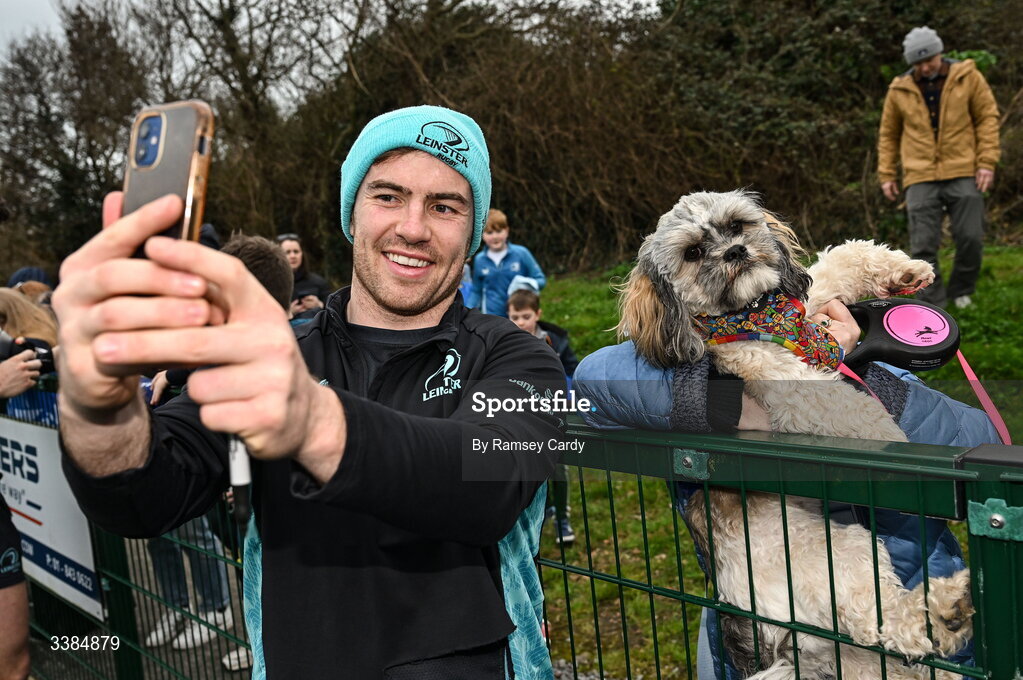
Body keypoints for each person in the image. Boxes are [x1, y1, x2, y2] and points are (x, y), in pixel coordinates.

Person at [54, 105, 563, 679]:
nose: (414, 228)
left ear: (471, 234)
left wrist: (311, 421)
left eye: (445, 206)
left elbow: (485, 485)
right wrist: (99, 403)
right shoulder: (277, 354)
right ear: (351, 212)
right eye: (388, 196)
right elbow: (144, 495)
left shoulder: (526, 357)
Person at [574, 300, 1000, 679]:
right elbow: (593, 378)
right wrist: (729, 404)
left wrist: (855, 372)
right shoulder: (693, 363)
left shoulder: (876, 367)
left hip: (917, 590)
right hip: (770, 619)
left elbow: (985, 440)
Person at [878, 26, 1001, 309]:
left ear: (940, 52)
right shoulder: (899, 89)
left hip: (964, 169)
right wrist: (886, 174)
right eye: (918, 63)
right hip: (919, 175)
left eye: (929, 59)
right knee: (922, 246)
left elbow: (987, 119)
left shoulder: (968, 77)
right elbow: (888, 134)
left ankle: (962, 290)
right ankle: (933, 302)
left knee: (970, 237)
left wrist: (986, 163)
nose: (925, 66)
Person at [507, 287, 579, 545]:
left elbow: (572, 370)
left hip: (555, 416)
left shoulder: (555, 341)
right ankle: (537, 514)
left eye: (525, 316)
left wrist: (564, 393)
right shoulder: (505, 343)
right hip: (522, 420)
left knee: (558, 467)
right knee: (531, 468)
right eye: (515, 317)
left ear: (537, 314)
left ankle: (562, 518)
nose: (520, 322)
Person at [466, 208, 546, 317]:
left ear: (507, 231)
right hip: (492, 317)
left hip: (519, 317)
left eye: (499, 231)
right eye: (489, 232)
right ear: (482, 235)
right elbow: (477, 290)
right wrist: (467, 311)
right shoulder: (480, 259)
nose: (495, 236)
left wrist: (525, 283)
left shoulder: (521, 253)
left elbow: (541, 280)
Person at [275, 233, 331, 320]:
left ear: (302, 254)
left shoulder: (318, 282)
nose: (293, 256)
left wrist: (320, 305)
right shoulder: (271, 283)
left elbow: (334, 312)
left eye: (296, 251)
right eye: (287, 252)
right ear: (278, 255)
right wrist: (288, 313)